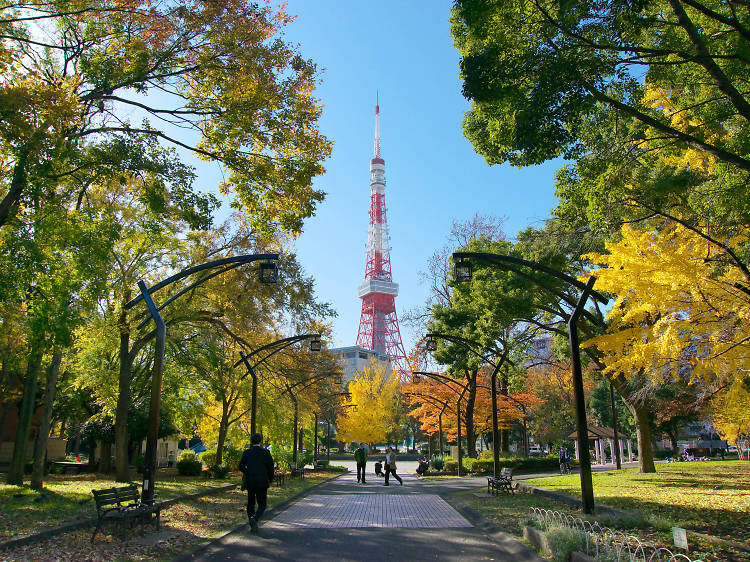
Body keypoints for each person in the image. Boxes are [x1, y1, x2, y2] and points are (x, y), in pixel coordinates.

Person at [238, 433, 274, 533]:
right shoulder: (266, 452)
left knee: (251, 503)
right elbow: (271, 468)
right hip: (262, 481)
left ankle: (251, 519)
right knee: (262, 503)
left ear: (251, 441)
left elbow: (240, 466)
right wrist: (270, 479)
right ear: (260, 441)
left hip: (250, 481)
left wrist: (248, 472)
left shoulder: (247, 453)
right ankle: (255, 518)